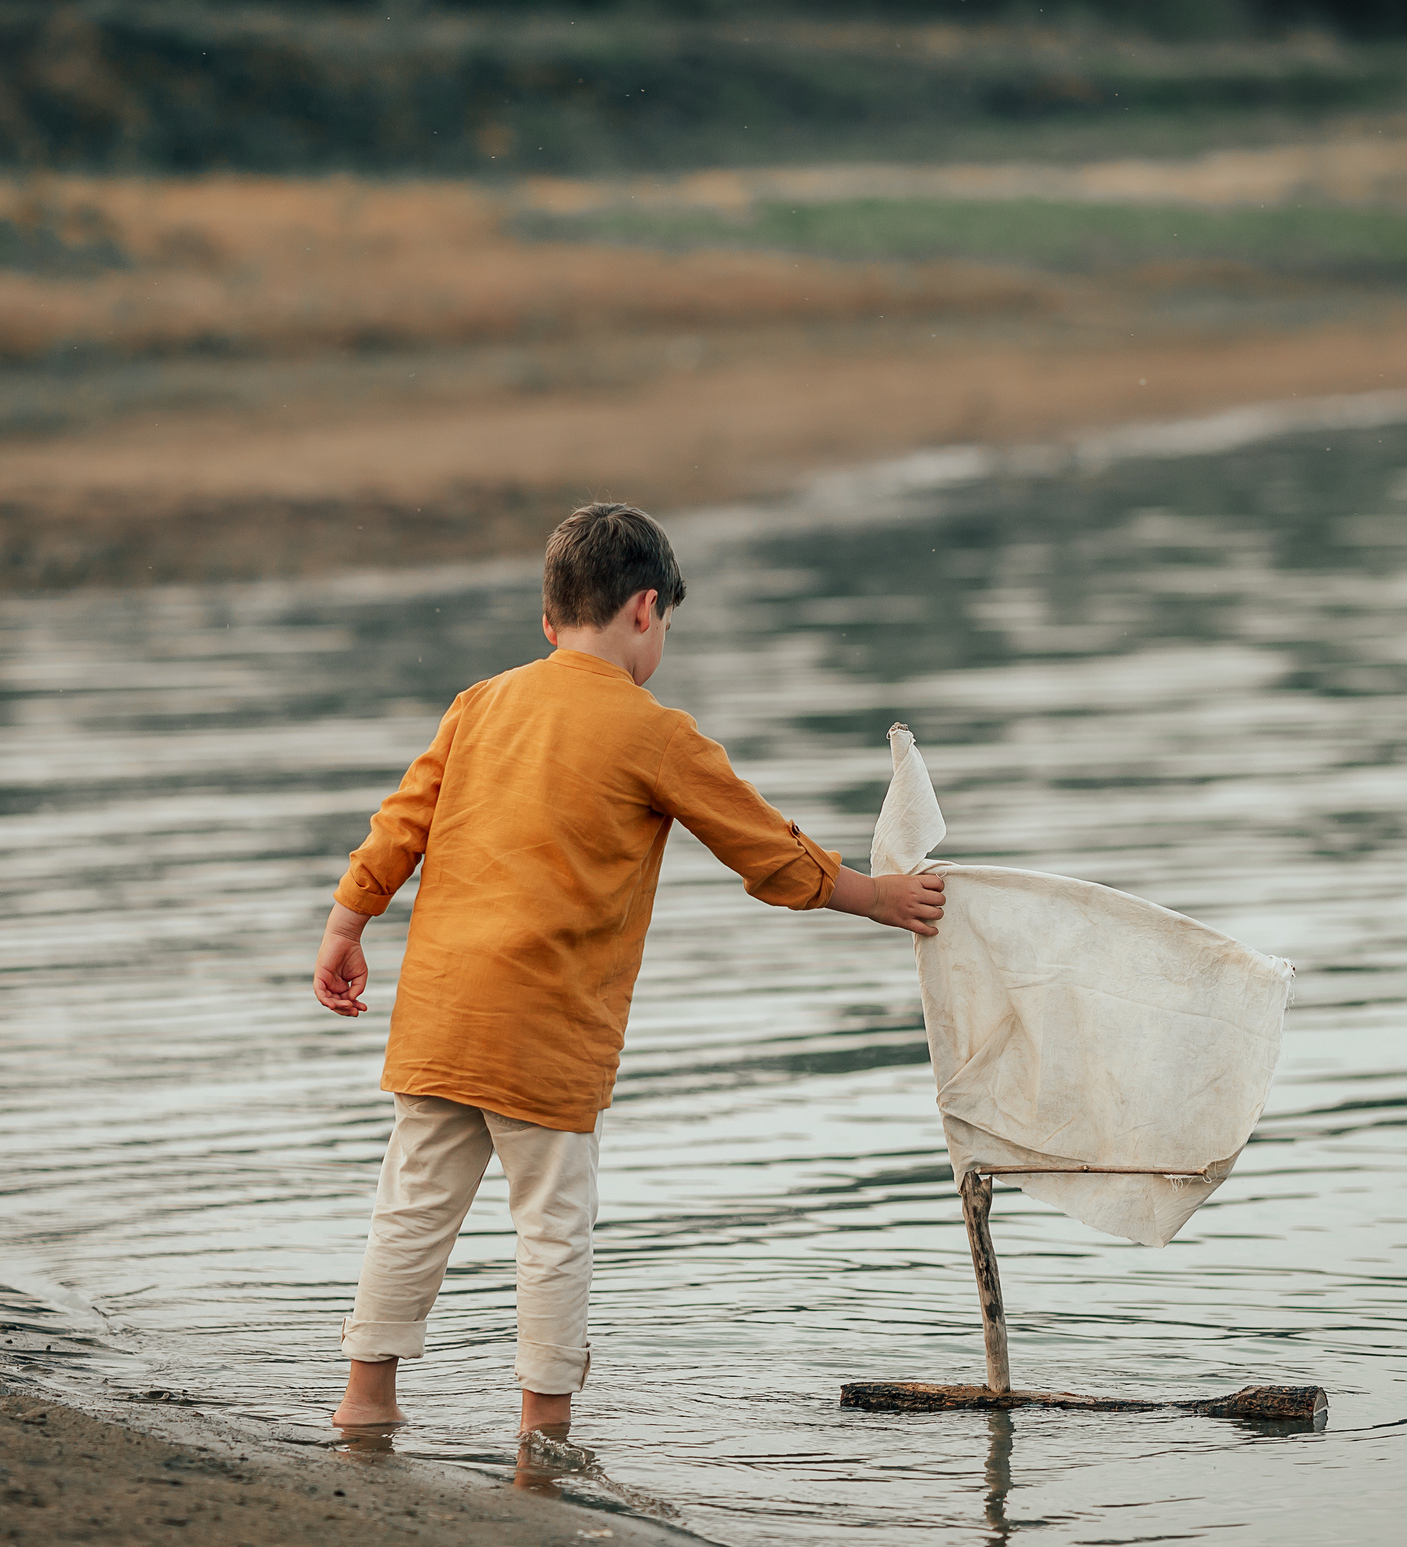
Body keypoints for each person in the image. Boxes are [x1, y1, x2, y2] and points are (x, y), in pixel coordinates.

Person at [311, 501, 945, 1434]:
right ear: (646, 609)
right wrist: (876, 897)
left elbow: (400, 824)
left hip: (443, 1017)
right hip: (548, 1030)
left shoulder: (480, 704)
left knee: (410, 1212)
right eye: (669, 628)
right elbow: (762, 848)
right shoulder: (654, 731)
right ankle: (543, 1424)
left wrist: (345, 923)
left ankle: (366, 1401)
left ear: (548, 620)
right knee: (554, 1227)